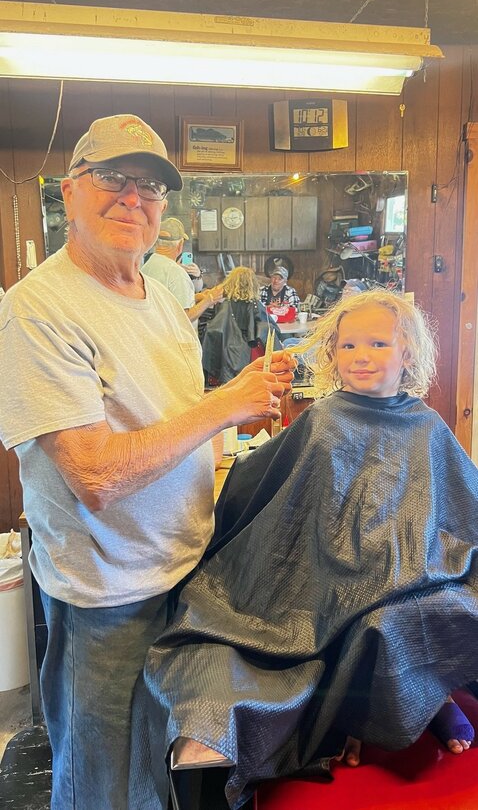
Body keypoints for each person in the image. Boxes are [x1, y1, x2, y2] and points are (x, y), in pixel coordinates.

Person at [0, 113, 295, 810]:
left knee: (156, 774)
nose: (134, 198)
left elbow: (178, 424)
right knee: (98, 782)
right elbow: (97, 476)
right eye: (113, 179)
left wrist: (231, 419)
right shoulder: (38, 310)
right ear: (70, 191)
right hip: (109, 593)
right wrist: (224, 404)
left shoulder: (161, 302)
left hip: (183, 573)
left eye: (152, 188)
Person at [129, 289, 477, 810]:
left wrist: (427, 556)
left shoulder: (428, 426)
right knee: (350, 626)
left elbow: (460, 504)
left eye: (378, 343)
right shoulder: (323, 419)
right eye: (349, 345)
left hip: (417, 571)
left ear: (407, 355)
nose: (361, 355)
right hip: (324, 573)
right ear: (332, 355)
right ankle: (351, 724)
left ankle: (429, 703)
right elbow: (265, 484)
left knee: (426, 615)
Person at [202, 266, 282, 384]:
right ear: (253, 284)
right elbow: (273, 331)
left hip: (228, 358)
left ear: (231, 283)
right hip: (255, 360)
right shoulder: (257, 305)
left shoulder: (226, 305)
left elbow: (213, 332)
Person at [142, 216, 223, 322]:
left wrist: (197, 297)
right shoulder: (176, 273)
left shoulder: (147, 266)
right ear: (180, 245)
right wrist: (209, 300)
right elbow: (184, 318)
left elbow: (167, 302)